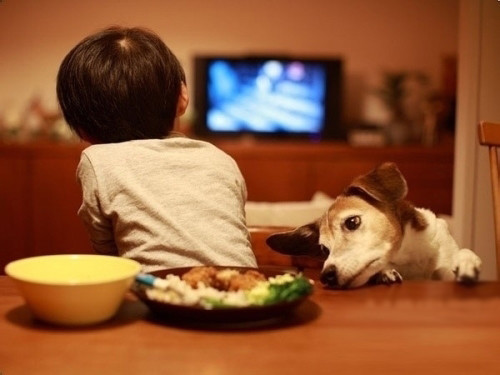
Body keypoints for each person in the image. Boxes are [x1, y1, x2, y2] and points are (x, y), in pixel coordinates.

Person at [56, 26, 257, 272]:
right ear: (182, 97)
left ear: (80, 126)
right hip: (249, 295)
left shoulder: (98, 161)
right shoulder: (221, 159)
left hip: (158, 298)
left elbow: (108, 256)